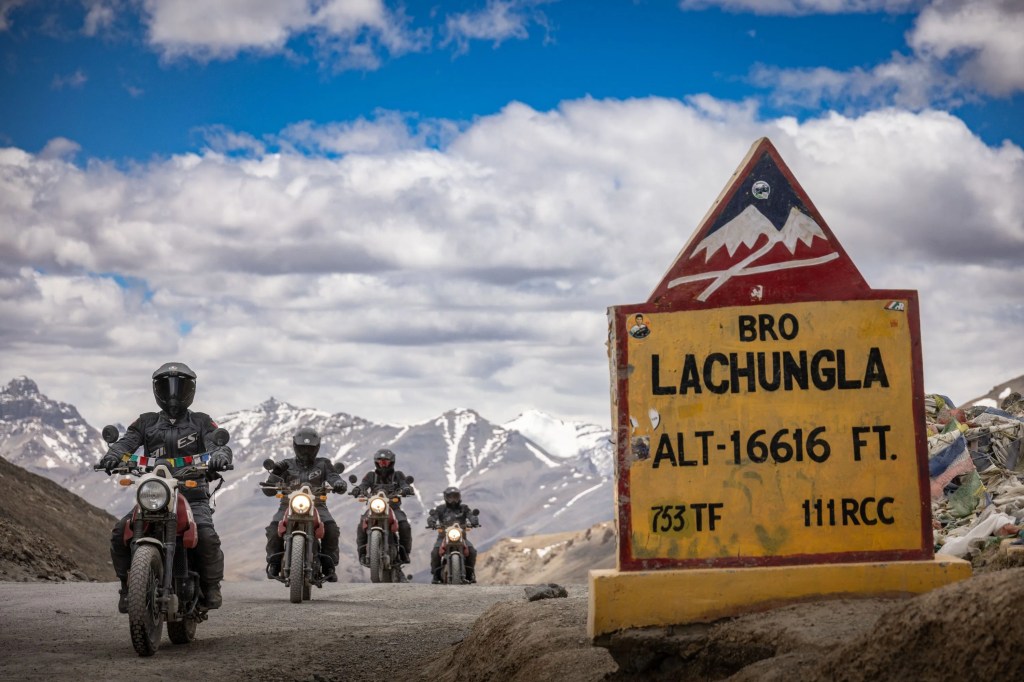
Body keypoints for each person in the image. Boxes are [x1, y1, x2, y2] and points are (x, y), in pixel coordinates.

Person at [99, 362, 232, 612]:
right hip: (155, 494)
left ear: (190, 389)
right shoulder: (146, 422)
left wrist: (220, 456)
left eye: (179, 387)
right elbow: (126, 443)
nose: (173, 393)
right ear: (156, 389)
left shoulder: (202, 422)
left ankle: (212, 586)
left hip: (192, 495)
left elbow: (218, 444)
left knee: (206, 536)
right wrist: (112, 455)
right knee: (119, 533)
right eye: (166, 386)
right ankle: (128, 588)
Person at [262, 427, 346, 581]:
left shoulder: (324, 464)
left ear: (316, 448)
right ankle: (274, 561)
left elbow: (334, 477)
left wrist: (339, 483)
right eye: (303, 448)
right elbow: (269, 490)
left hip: (318, 505)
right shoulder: (286, 464)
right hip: (287, 504)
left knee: (332, 529)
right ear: (295, 446)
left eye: (310, 448)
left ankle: (329, 564)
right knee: (274, 529)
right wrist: (275, 474)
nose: (306, 451)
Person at [354, 448, 414, 566]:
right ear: (376, 462)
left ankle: (404, 553)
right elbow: (363, 485)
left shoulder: (398, 475)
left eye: (385, 461)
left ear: (391, 462)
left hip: (393, 508)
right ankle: (362, 554)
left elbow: (404, 484)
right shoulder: (371, 475)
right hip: (375, 508)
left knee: (404, 525)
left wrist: (406, 488)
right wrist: (358, 489)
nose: (382, 463)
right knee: (361, 525)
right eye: (380, 461)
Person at [427, 486, 479, 583]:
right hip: (443, 537)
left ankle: (469, 574)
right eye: (451, 497)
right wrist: (432, 522)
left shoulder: (464, 508)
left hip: (461, 537)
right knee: (435, 553)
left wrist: (474, 520)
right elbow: (433, 517)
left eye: (455, 497)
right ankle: (436, 575)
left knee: (472, 551)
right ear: (446, 497)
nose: (453, 500)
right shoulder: (441, 509)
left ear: (459, 497)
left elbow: (471, 515)